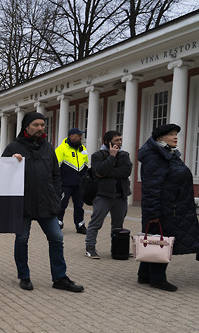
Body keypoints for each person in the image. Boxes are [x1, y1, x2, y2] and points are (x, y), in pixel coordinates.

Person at [1, 112, 84, 292]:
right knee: (22, 239)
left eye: (42, 125)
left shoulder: (48, 148)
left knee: (57, 238)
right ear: (26, 127)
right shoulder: (13, 147)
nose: (40, 128)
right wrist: (10, 163)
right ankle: (24, 276)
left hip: (47, 202)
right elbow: (1, 173)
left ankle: (60, 278)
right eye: (36, 125)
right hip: (22, 203)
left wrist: (56, 195)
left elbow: (56, 174)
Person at [136, 123, 199, 291]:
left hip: (171, 206)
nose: (175, 137)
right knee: (160, 241)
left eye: (176, 134)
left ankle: (144, 275)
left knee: (153, 238)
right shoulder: (155, 157)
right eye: (171, 134)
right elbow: (151, 188)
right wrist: (153, 213)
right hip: (164, 208)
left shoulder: (167, 153)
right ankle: (157, 279)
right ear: (159, 138)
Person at [84, 131, 132, 259]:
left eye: (120, 140)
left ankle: (117, 250)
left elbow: (126, 171)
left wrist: (108, 172)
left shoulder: (124, 155)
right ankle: (90, 248)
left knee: (118, 226)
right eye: (116, 140)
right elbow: (99, 172)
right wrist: (111, 157)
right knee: (96, 223)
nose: (119, 143)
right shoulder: (97, 156)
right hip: (103, 195)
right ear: (107, 142)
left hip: (121, 196)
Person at [55, 128, 89, 233]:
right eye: (79, 135)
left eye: (81, 135)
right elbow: (55, 167)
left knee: (79, 206)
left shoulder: (83, 148)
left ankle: (80, 225)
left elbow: (86, 165)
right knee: (61, 205)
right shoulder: (61, 149)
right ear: (71, 136)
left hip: (79, 184)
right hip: (65, 184)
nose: (81, 137)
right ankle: (57, 224)